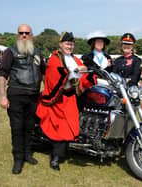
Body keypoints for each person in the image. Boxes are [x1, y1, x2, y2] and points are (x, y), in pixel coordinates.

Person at [36, 31, 94, 171]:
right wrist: (74, 72)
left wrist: (88, 72)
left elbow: (84, 73)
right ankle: (55, 158)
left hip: (70, 98)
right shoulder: (55, 58)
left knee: (70, 127)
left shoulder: (75, 58)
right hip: (58, 99)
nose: (70, 46)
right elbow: (56, 74)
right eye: (67, 44)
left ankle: (66, 151)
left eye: (72, 44)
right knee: (60, 129)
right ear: (61, 44)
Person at [0, 24, 46, 174]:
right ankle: (18, 159)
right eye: (21, 33)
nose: (24, 35)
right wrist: (2, 96)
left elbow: (44, 74)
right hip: (16, 96)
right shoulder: (10, 52)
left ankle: (27, 154)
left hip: (33, 96)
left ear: (31, 35)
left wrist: (48, 91)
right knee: (17, 128)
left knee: (30, 127)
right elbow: (2, 74)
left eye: (27, 33)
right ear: (17, 35)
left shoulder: (38, 52)